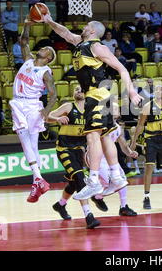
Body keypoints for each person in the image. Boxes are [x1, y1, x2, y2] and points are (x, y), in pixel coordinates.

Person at [44, 14, 142, 200]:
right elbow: (63, 32)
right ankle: (116, 177)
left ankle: (94, 181)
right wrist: (48, 20)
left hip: (97, 95)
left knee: (92, 136)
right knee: (105, 137)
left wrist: (132, 92)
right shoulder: (81, 43)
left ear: (92, 30)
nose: (83, 27)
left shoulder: (97, 47)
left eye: (87, 25)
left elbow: (122, 68)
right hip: (97, 97)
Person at [9, 17, 58, 203]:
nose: (42, 48)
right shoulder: (29, 60)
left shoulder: (45, 72)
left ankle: (37, 179)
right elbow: (23, 41)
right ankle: (37, 181)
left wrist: (46, 110)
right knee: (31, 143)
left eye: (46, 49)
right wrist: (27, 25)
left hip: (31, 105)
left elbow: (53, 94)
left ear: (48, 58)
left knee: (25, 139)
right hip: (19, 102)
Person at [46, 86, 101, 229]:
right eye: (76, 89)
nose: (79, 91)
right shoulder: (68, 106)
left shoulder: (91, 110)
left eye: (81, 89)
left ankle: (60, 205)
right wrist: (57, 118)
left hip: (79, 150)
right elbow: (47, 116)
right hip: (64, 149)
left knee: (73, 182)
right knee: (79, 177)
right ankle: (89, 216)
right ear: (73, 93)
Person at [89, 114, 139, 217]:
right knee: (105, 181)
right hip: (97, 156)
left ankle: (124, 207)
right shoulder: (97, 124)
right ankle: (97, 196)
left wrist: (130, 152)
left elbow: (123, 145)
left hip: (109, 158)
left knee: (122, 180)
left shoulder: (118, 128)